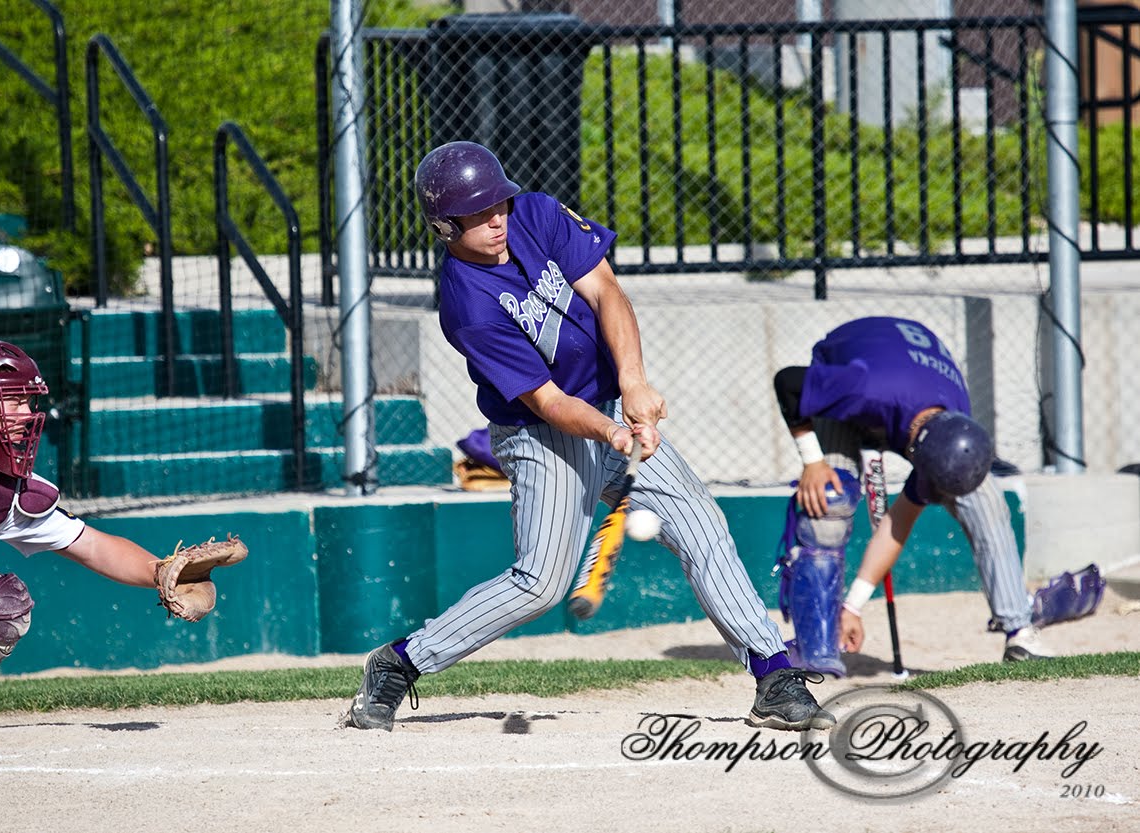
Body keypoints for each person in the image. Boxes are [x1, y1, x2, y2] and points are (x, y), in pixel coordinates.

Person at [343, 140, 835, 733]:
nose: (496, 220)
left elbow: (605, 290)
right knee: (542, 584)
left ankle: (773, 675)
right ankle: (399, 663)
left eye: (498, 204)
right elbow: (547, 402)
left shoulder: (537, 214)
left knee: (702, 523)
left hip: (608, 407)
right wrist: (610, 431)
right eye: (477, 215)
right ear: (445, 225)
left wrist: (632, 384)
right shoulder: (466, 304)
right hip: (540, 436)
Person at [0, 338, 209, 749]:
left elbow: (93, 546)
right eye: (12, 401)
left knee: (0, 603)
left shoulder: (6, 491)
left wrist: (162, 573)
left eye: (27, 401)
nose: (27, 414)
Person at [771, 315, 1052, 675]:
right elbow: (788, 382)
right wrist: (812, 461)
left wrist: (853, 605)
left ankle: (1020, 632)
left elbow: (899, 520)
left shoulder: (954, 427)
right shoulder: (860, 388)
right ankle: (816, 646)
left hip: (905, 387)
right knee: (828, 500)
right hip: (851, 373)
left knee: (984, 497)